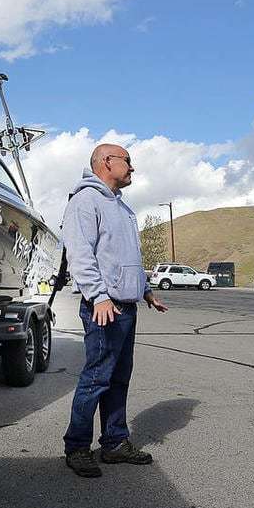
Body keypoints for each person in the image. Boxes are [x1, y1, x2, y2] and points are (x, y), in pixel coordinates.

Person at [61, 143, 168, 478]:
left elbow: (124, 257)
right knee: (97, 378)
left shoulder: (121, 207)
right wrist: (98, 296)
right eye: (128, 161)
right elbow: (80, 254)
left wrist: (146, 291)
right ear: (107, 162)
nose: (132, 168)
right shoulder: (85, 200)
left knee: (119, 378)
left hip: (126, 306)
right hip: (104, 308)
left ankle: (115, 443)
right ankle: (77, 446)